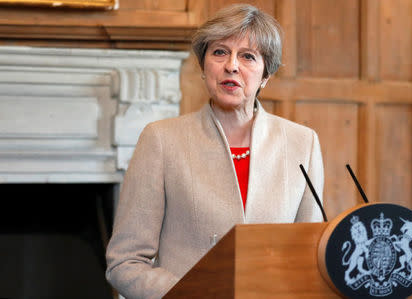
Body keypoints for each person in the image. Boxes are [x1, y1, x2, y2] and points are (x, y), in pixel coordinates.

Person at [105, 4, 324, 299]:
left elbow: (310, 259)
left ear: (266, 75)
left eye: (248, 56)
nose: (231, 65)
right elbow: (125, 263)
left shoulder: (303, 143)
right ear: (204, 64)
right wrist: (193, 293)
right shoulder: (160, 140)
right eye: (219, 52)